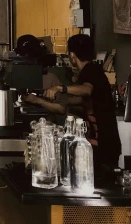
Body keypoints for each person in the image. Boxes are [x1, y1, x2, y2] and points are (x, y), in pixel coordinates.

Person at [43, 34, 121, 169]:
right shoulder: (91, 71)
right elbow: (79, 100)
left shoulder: (90, 70)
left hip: (104, 143)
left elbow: (87, 90)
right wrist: (45, 101)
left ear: (72, 55)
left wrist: (59, 88)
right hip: (100, 142)